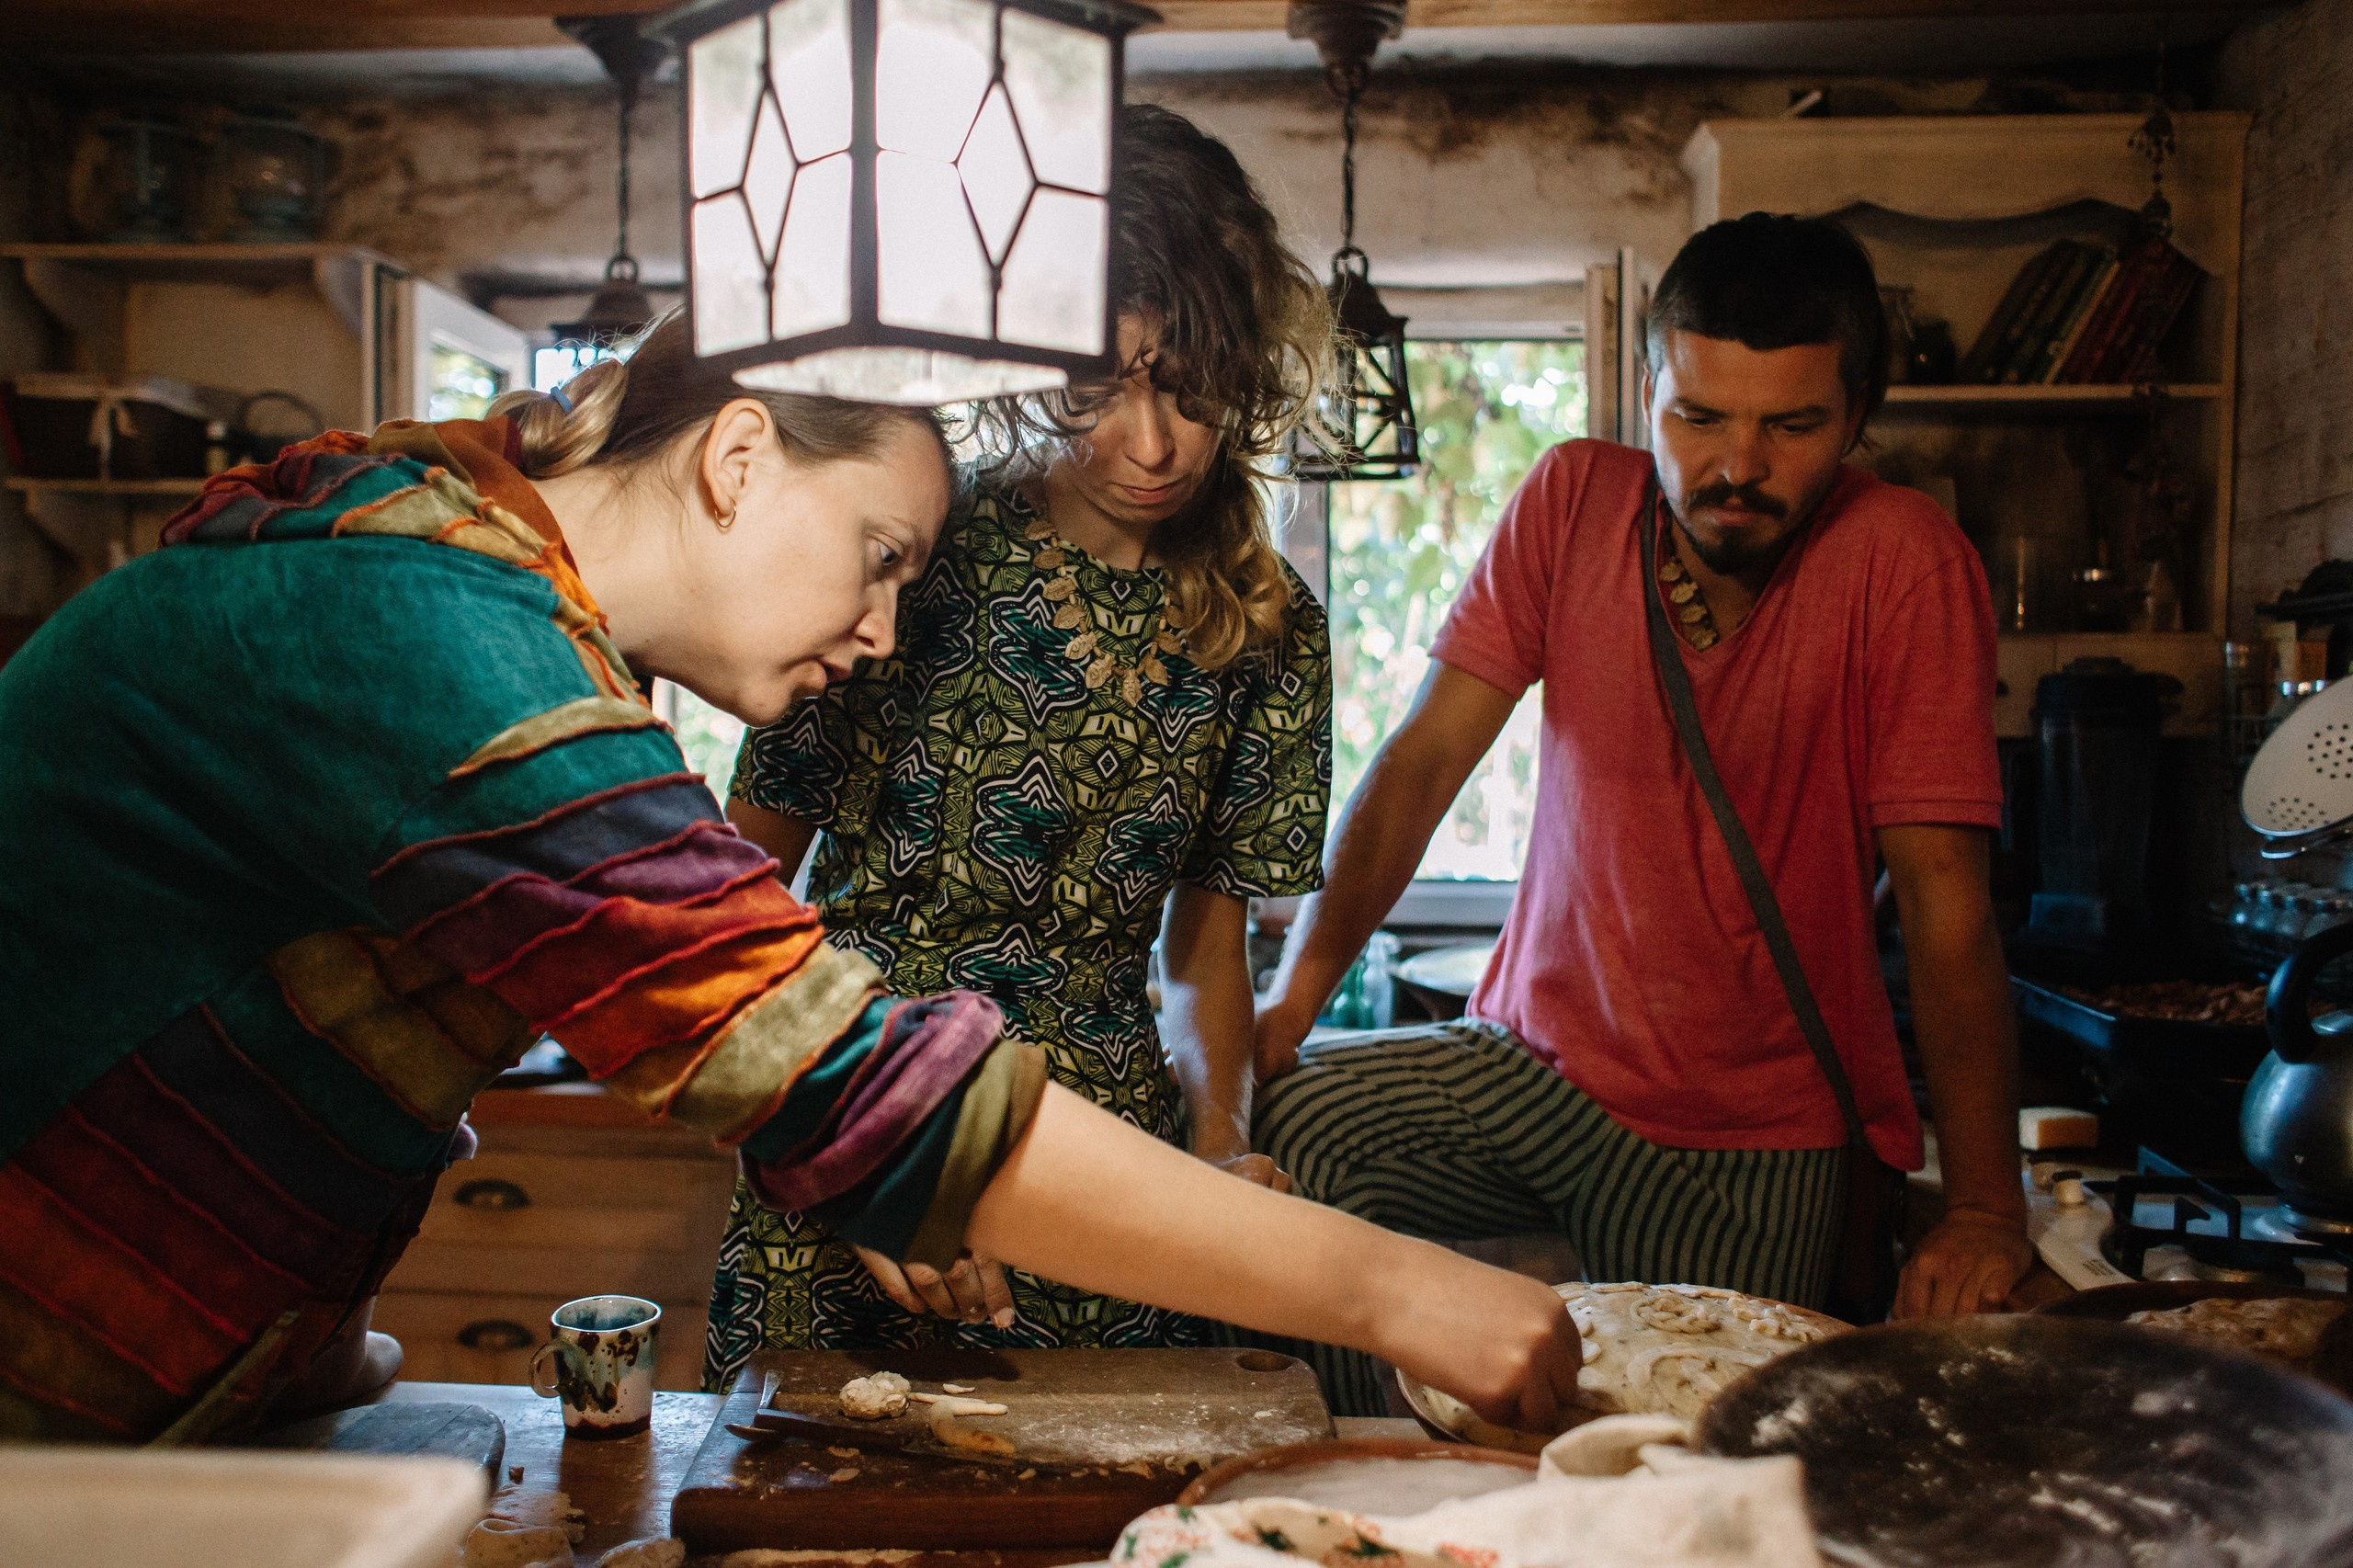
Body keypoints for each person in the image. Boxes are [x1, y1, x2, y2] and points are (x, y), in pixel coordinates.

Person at [0, 310, 1585, 1445]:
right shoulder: (437, 636)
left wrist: (300, 1345)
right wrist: (1401, 1290)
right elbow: (842, 1077)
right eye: (883, 554)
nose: (889, 625)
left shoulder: (446, 559)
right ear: (740, 458)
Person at [1250, 213, 2036, 1415]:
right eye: (1698, 417)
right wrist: (1290, 1001)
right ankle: (1405, 1480)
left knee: (1704, 1455)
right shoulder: (1571, 499)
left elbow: (1946, 906)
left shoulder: (1905, 558)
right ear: (1647, 388)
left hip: (1757, 1132)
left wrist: (1985, 1205)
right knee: (1275, 1132)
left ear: (1860, 417)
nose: (1736, 466)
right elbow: (1420, 764)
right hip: (1527, 1062)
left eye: (1791, 426)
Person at [705, 105, 1331, 1382]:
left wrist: (1218, 1141)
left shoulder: (1273, 627)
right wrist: (820, 1129)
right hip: (853, 1117)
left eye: (1193, 388)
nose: (1151, 445)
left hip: (1100, 1168)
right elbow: (737, 885)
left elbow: (1204, 941)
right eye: (1097, 388)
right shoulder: (912, 547)